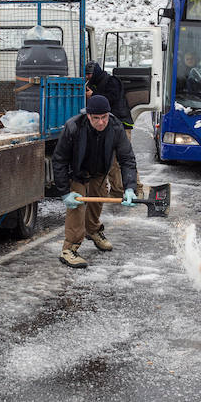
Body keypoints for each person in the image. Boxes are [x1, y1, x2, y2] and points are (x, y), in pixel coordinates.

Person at [52, 95, 138, 269]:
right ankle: (69, 249)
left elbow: (127, 159)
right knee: (77, 207)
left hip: (99, 172)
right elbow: (59, 160)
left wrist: (129, 187)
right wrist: (64, 192)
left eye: (104, 117)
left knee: (97, 203)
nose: (101, 122)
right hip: (77, 173)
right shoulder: (73, 126)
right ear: (88, 115)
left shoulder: (115, 127)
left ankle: (93, 231)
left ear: (108, 114)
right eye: (96, 118)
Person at [84, 61, 144, 198]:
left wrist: (93, 96)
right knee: (111, 162)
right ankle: (118, 191)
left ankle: (136, 190)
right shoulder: (91, 85)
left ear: (96, 72)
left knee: (124, 158)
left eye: (89, 74)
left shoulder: (111, 81)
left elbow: (111, 98)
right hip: (105, 126)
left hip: (121, 125)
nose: (87, 76)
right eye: (86, 74)